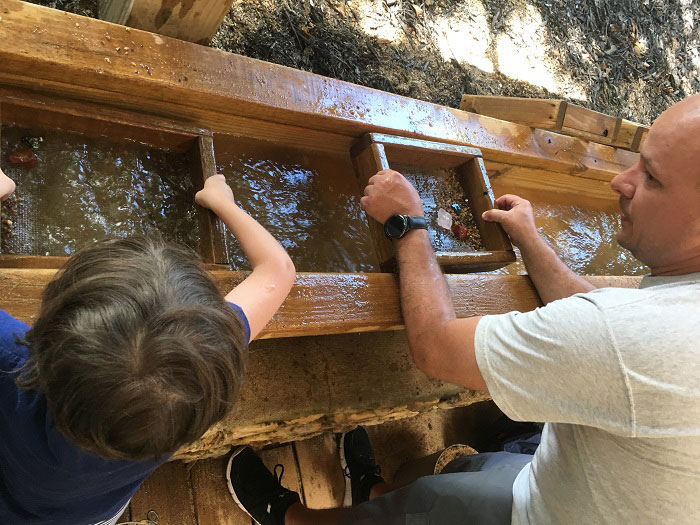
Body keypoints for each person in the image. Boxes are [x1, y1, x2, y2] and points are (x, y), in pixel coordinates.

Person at [225, 94, 700, 524]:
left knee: (427, 507)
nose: (620, 180)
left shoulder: (649, 340)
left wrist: (408, 223)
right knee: (445, 484)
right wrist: (531, 241)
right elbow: (599, 313)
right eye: (638, 162)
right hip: (558, 478)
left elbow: (435, 348)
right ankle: (372, 490)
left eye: (652, 178)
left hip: (540, 514)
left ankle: (290, 519)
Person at [0, 172, 295, 524]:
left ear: (44, 330)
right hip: (94, 514)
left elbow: (278, 269)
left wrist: (3, 188)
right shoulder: (190, 389)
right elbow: (278, 271)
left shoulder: (12, 359)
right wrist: (222, 203)